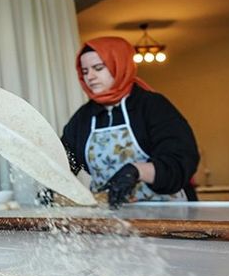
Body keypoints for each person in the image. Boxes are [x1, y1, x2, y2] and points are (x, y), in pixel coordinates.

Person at [61, 37, 199, 208]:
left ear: (118, 65)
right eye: (85, 71)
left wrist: (136, 170)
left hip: (166, 211)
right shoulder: (83, 118)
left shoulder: (151, 106)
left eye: (98, 68)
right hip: (110, 216)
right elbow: (66, 160)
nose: (91, 76)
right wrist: (52, 185)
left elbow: (181, 159)